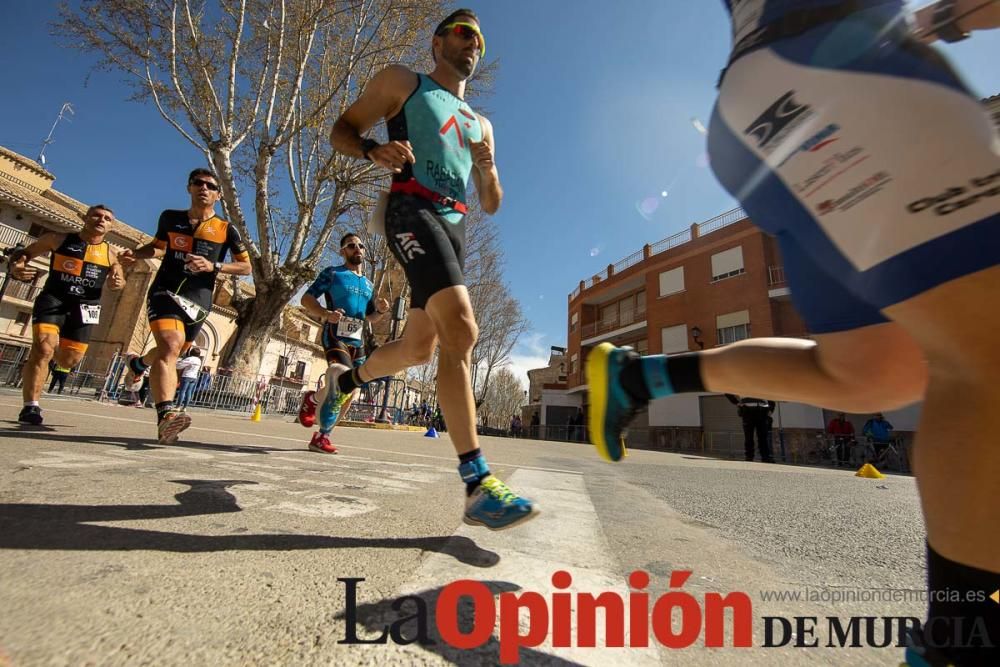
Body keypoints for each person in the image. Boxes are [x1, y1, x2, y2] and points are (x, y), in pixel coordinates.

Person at [588, 2, 1000, 664]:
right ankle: (958, 646)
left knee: (872, 371)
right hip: (837, 66)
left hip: (768, 99)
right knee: (987, 352)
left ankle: (644, 375)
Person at [328, 9, 535, 530]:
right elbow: (342, 129)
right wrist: (375, 149)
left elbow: (491, 202)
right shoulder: (405, 81)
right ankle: (477, 481)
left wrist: (488, 169)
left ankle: (344, 381)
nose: (473, 44)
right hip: (410, 208)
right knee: (462, 329)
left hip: (456, 225)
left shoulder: (481, 123)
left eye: (480, 40)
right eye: (463, 34)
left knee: (420, 348)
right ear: (438, 42)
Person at [118, 169, 252, 444]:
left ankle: (139, 363)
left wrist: (214, 265)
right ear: (189, 187)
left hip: (199, 298)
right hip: (165, 290)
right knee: (170, 344)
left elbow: (246, 266)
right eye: (198, 183)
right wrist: (136, 253)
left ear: (218, 194)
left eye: (210, 185)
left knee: (176, 348)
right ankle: (166, 416)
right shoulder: (170, 218)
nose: (204, 188)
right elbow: (157, 247)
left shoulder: (227, 229)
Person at [10, 204, 126, 425]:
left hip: (86, 308)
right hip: (54, 300)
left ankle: (40, 361)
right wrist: (18, 265)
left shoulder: (111, 254)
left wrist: (117, 282)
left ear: (111, 226)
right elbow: (24, 253)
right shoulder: (57, 239)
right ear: (85, 217)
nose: (101, 220)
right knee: (44, 347)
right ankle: (31, 407)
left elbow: (119, 281)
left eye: (107, 218)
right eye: (97, 215)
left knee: (69, 360)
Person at [297, 233, 390, 454]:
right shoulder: (332, 273)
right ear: (342, 251)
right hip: (335, 334)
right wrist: (326, 313)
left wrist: (381, 311)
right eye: (350, 246)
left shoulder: (368, 284)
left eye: (360, 245)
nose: (356, 248)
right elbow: (306, 299)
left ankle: (320, 429)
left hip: (358, 342)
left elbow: (369, 318)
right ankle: (316, 409)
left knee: (352, 391)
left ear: (364, 252)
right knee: (341, 375)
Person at [725, 394, 776, 462]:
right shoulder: (742, 383)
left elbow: (770, 394)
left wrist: (771, 409)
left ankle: (765, 457)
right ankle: (749, 457)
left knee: (763, 437)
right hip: (748, 411)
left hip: (762, 411)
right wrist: (736, 402)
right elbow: (727, 392)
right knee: (749, 437)